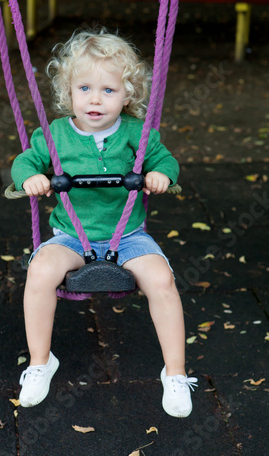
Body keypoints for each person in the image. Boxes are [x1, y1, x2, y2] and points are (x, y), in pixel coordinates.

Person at [11, 29, 197, 417]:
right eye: (84, 88)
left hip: (128, 236)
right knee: (41, 271)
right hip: (71, 237)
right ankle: (40, 362)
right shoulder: (54, 134)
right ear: (68, 92)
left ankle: (176, 374)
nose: (95, 99)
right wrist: (31, 177)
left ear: (128, 95)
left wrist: (160, 174)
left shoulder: (137, 134)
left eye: (109, 90)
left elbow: (164, 160)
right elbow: (25, 161)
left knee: (161, 279)